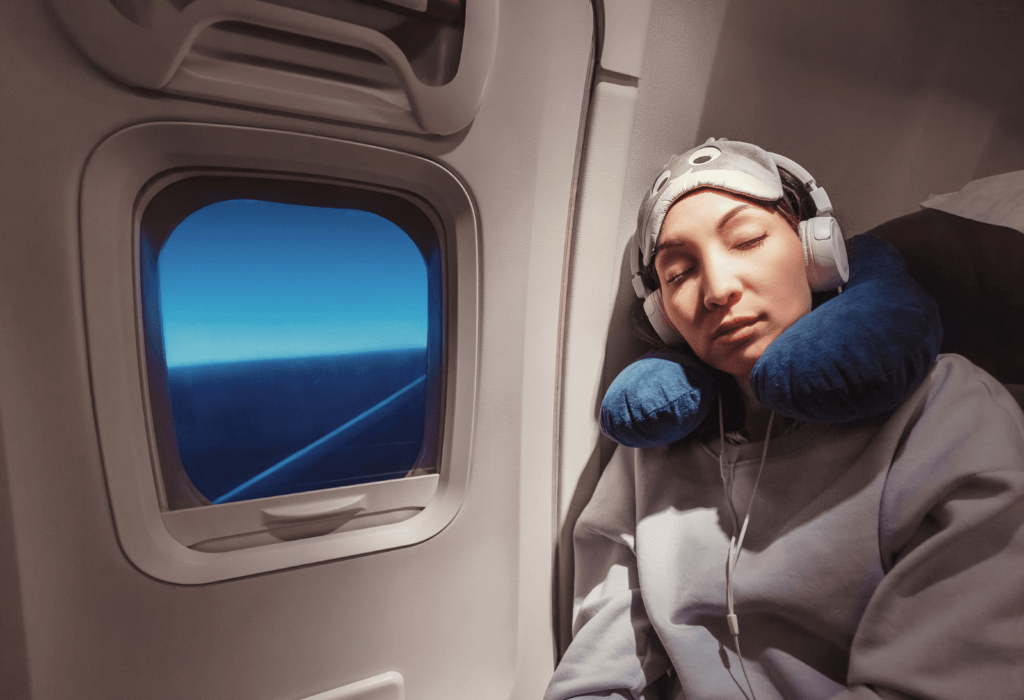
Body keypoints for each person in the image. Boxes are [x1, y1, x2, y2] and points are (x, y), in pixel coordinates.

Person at [544, 139, 1024, 700]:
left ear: (817, 251)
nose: (719, 289)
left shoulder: (946, 412)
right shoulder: (648, 453)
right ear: (662, 315)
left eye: (747, 240)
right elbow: (597, 675)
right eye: (678, 274)